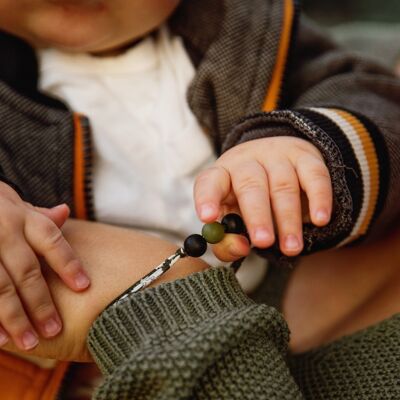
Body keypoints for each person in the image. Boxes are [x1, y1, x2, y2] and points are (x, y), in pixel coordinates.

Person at [0, 0, 398, 398]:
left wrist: (307, 146)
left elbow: (366, 94)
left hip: (268, 297)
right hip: (56, 362)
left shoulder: (243, 29)